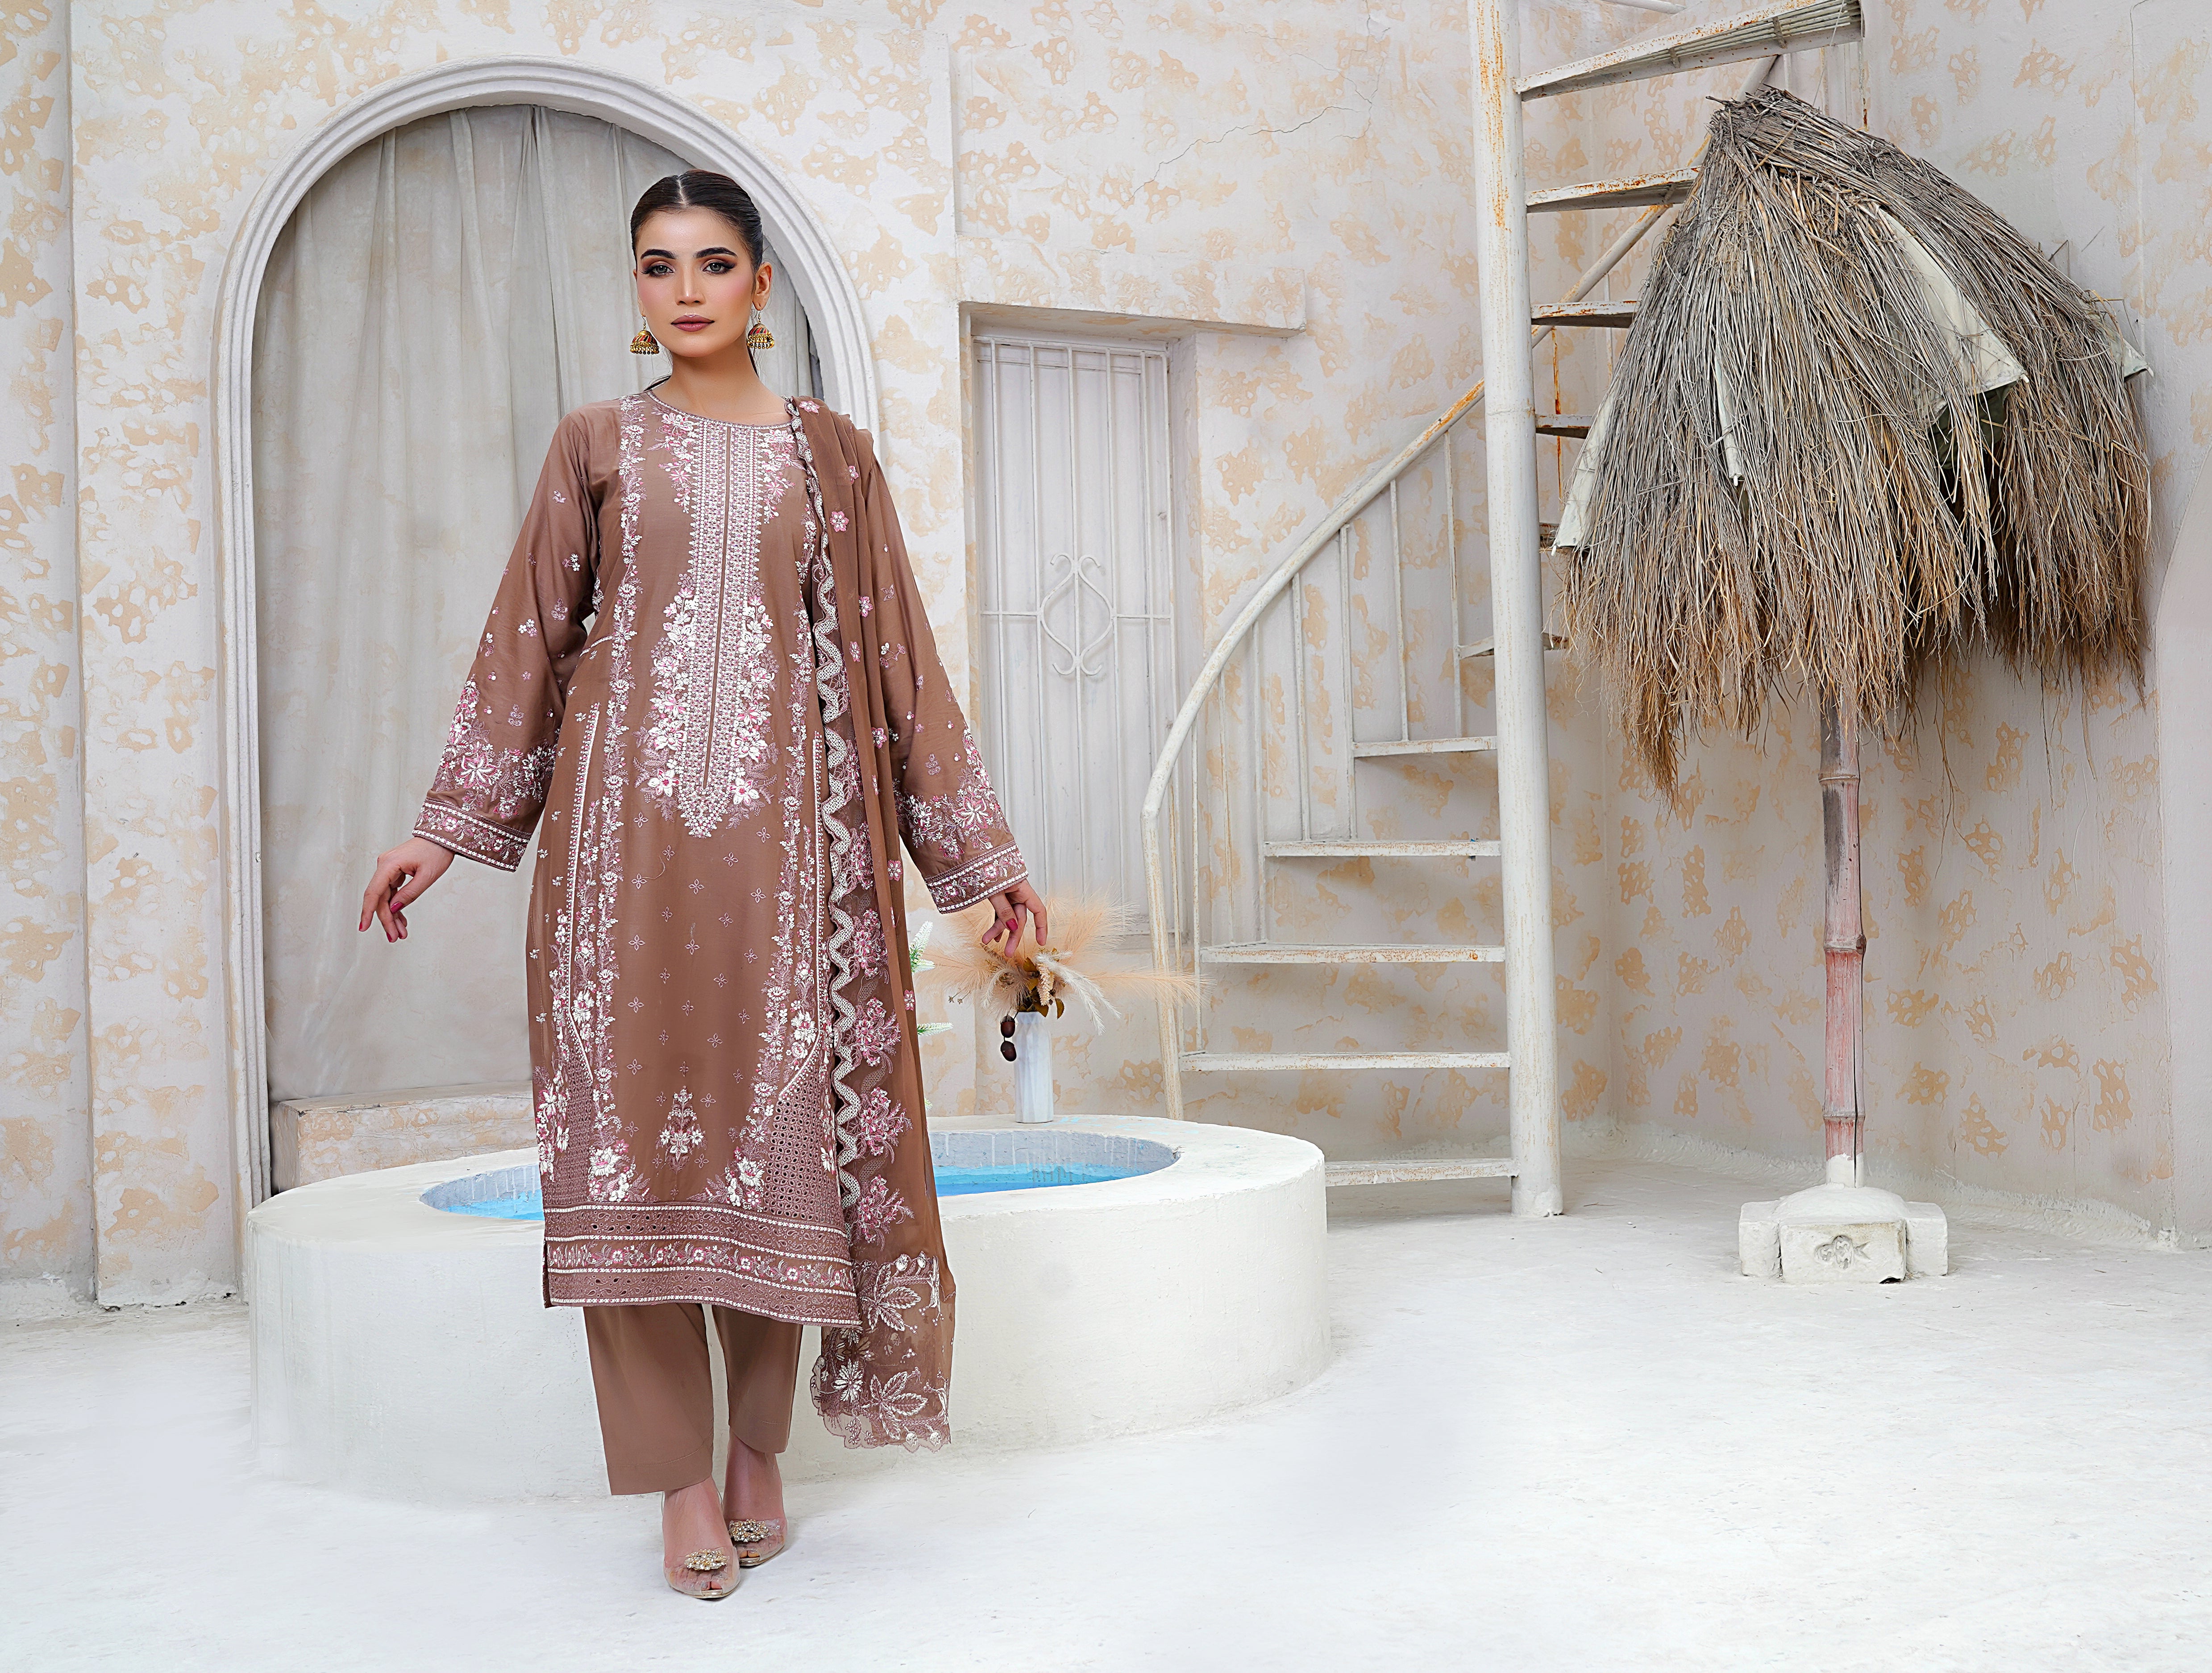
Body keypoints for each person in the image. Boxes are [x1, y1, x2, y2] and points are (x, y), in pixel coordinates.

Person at [358, 170, 1046, 1600]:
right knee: (629, 1162)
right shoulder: (595, 443)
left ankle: (757, 1454)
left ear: (759, 287)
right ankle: (677, 1475)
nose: (685, 288)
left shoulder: (831, 457)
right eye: (658, 264)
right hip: (617, 865)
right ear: (635, 292)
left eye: (713, 262)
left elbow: (902, 667)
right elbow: (527, 644)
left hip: (794, 873)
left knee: (774, 1151)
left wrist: (980, 865)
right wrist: (445, 824)